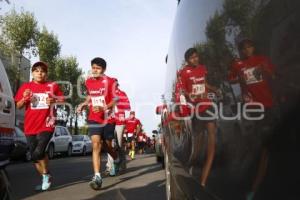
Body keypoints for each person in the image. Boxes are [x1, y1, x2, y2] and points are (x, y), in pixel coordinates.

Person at [228, 39, 276, 200]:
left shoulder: (262, 59)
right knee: (261, 142)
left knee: (268, 141)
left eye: (250, 47)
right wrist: (240, 79)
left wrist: (266, 70)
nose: (247, 50)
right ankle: (258, 182)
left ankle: (263, 176)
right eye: (244, 48)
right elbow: (231, 79)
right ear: (241, 50)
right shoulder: (238, 64)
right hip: (253, 108)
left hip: (269, 104)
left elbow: (274, 76)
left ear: (254, 47)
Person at [15, 61, 64, 191]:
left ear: (46, 74)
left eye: (42, 71)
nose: (39, 73)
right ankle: (45, 175)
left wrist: (54, 100)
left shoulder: (52, 85)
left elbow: (62, 100)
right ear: (32, 73)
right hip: (30, 125)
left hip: (47, 123)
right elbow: (18, 105)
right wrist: (25, 98)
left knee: (38, 153)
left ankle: (45, 175)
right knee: (35, 155)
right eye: (36, 70)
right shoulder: (26, 87)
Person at [179, 48, 220, 187]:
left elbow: (204, 84)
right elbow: (183, 90)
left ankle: (203, 182)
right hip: (196, 110)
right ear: (187, 60)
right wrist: (189, 95)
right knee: (198, 146)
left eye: (196, 57)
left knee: (211, 142)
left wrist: (214, 89)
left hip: (207, 106)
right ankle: (189, 167)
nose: (195, 59)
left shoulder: (203, 68)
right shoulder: (183, 72)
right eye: (192, 58)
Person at [76, 57, 119, 190]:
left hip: (108, 117)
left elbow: (116, 99)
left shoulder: (110, 81)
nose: (95, 70)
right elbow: (90, 95)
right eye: (93, 67)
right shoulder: (88, 82)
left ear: (104, 70)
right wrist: (84, 103)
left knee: (107, 145)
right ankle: (97, 176)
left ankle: (116, 158)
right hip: (94, 117)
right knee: (96, 144)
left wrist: (104, 107)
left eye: (98, 68)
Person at [105, 78, 131, 174]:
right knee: (110, 144)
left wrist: (117, 103)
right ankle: (109, 166)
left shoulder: (122, 93)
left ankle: (122, 166)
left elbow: (128, 106)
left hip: (120, 121)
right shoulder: (107, 93)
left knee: (119, 145)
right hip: (110, 120)